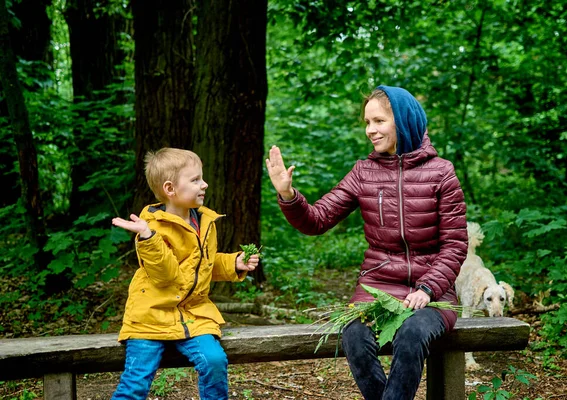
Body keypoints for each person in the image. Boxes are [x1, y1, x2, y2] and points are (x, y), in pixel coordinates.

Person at [265, 85, 468, 400]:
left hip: (433, 293)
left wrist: (427, 289)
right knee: (355, 335)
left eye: (378, 121)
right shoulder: (363, 173)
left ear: (403, 120)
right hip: (377, 288)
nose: (370, 130)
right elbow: (317, 220)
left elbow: (455, 245)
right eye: (367, 122)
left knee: (412, 334)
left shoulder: (442, 174)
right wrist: (288, 195)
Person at [111, 148, 259, 400]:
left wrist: (234, 263)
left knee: (214, 361)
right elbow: (167, 275)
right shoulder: (151, 229)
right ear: (170, 189)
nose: (205, 184)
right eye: (195, 180)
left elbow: (202, 265)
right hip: (151, 316)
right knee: (135, 382)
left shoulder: (202, 221)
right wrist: (148, 237)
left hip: (193, 314)